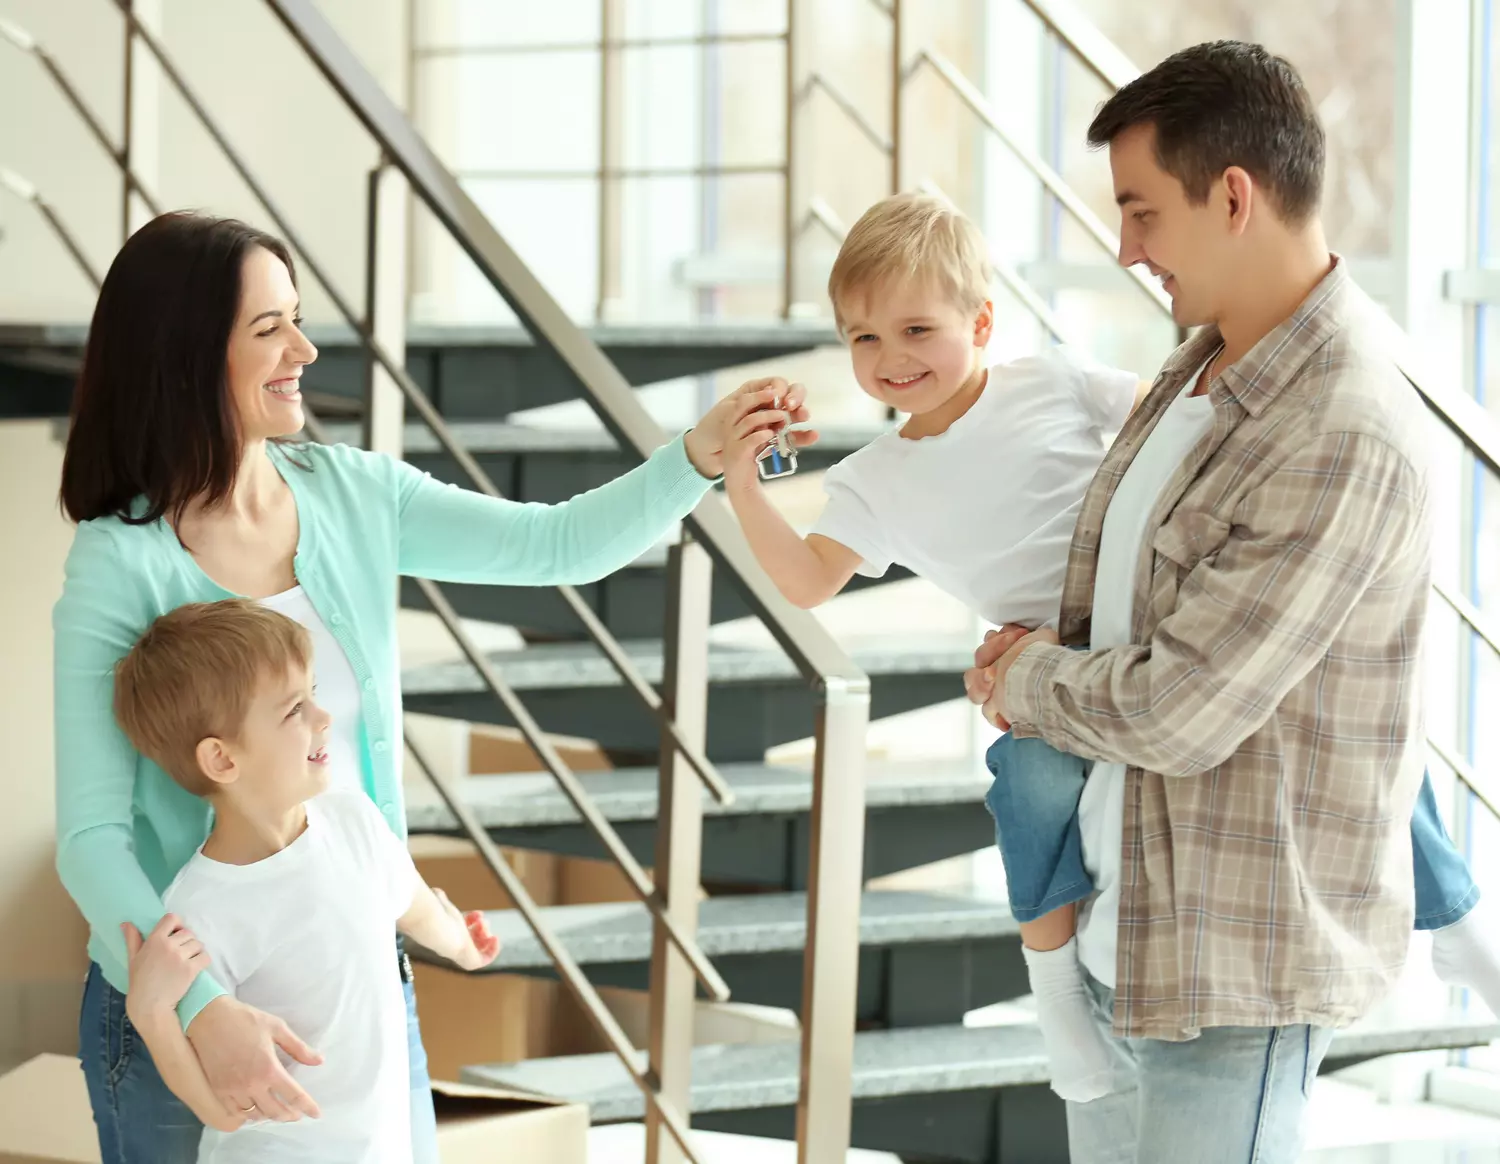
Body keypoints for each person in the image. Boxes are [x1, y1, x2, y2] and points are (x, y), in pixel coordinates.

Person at [53, 210, 812, 1164]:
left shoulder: (352, 494)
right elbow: (91, 845)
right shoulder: (121, 562)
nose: (305, 347)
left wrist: (698, 455)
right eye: (269, 329)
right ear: (188, 355)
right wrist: (204, 1012)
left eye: (297, 317)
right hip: (192, 1009)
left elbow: (557, 545)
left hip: (362, 991)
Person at [727, 187, 1500, 1117]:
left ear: (980, 321)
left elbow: (1172, 437)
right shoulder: (874, 479)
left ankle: (1456, 916)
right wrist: (741, 482)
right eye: (862, 340)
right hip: (1050, 674)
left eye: (916, 330)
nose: (891, 360)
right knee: (1024, 791)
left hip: (1153, 620)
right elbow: (807, 580)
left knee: (1363, 741)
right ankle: (1056, 997)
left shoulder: (1049, 382)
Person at [960, 41, 1492, 1162]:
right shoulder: (1198, 367)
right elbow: (1144, 625)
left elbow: (1178, 712)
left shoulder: (1341, 425)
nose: (1125, 248)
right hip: (1125, 927)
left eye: (1143, 211)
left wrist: (1022, 679)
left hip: (1227, 975)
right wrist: (1044, 659)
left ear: (1235, 196)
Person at [114, 599, 501, 1161]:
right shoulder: (198, 910)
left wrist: (465, 946)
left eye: (314, 696)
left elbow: (415, 907)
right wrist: (148, 1014)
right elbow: (219, 1109)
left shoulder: (354, 821)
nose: (324, 718)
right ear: (222, 760)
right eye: (295, 709)